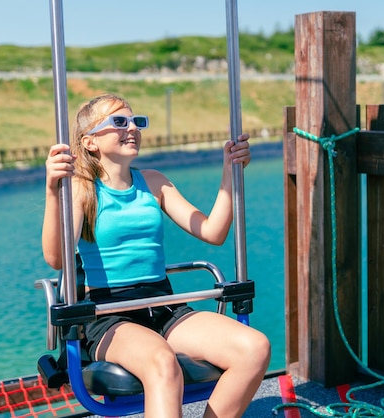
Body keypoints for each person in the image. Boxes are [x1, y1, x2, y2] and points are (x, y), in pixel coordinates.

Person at [42, 93, 270, 418]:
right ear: (90, 141)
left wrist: (230, 171)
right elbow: (56, 258)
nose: (132, 128)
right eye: (119, 122)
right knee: (161, 362)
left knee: (254, 348)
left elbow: (213, 232)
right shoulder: (81, 189)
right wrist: (53, 190)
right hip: (108, 315)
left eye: (137, 121)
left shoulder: (154, 183)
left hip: (162, 307)